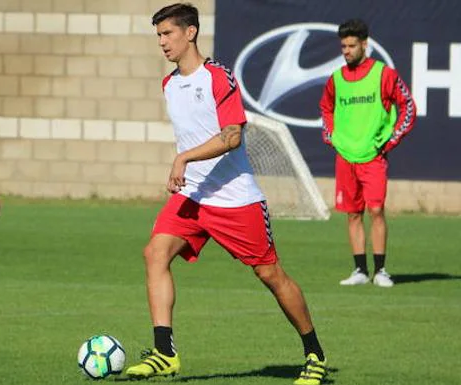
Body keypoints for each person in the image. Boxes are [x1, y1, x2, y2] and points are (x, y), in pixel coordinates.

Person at [125, 4, 326, 385]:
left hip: (235, 199)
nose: (162, 42)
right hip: (193, 198)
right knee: (154, 253)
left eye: (168, 33)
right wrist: (187, 168)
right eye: (158, 35)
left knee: (269, 273)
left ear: (191, 33)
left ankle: (314, 353)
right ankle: (164, 352)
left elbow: (233, 136)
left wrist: (184, 157)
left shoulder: (219, 78)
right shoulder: (169, 84)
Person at [320, 19, 416, 288]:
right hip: (346, 156)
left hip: (373, 156)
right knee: (352, 214)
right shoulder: (336, 79)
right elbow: (325, 109)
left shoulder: (384, 75)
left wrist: (388, 142)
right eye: (343, 46)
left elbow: (407, 107)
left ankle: (381, 270)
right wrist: (331, 136)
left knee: (376, 210)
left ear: (364, 45)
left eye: (352, 45)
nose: (347, 51)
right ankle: (360, 270)